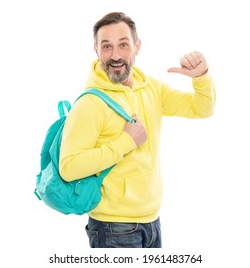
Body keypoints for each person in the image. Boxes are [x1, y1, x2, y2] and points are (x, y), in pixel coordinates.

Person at [59, 12, 216, 248]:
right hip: (113, 227)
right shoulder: (90, 103)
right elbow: (69, 167)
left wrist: (201, 77)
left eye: (123, 45)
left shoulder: (151, 87)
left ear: (137, 46)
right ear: (96, 50)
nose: (115, 55)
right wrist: (126, 142)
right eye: (106, 46)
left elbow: (200, 109)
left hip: (152, 221)